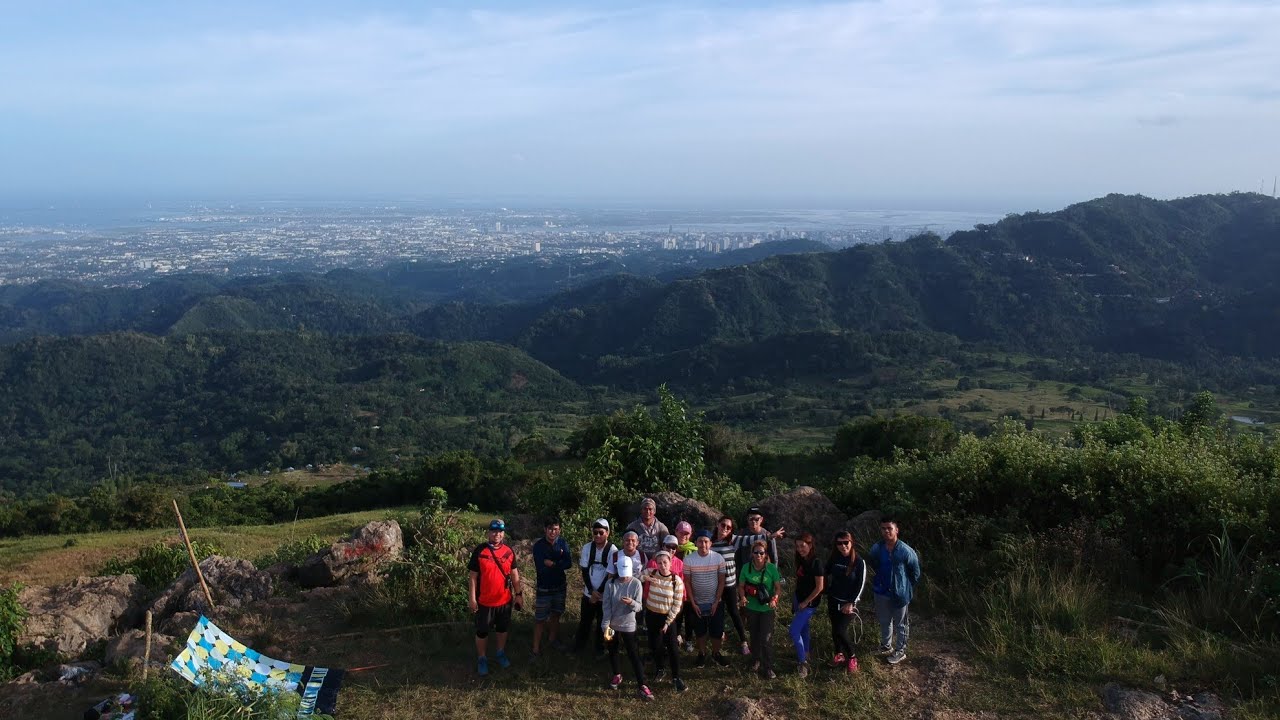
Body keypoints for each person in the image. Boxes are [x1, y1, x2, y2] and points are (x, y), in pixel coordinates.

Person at [467, 518, 523, 677]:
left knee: (502, 629)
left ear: (503, 533)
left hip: (504, 600)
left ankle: (500, 652)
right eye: (493, 531)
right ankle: (482, 658)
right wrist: (472, 599)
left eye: (499, 531)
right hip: (484, 601)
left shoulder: (508, 551)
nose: (496, 534)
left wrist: (519, 595)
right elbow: (472, 577)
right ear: (488, 532)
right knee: (482, 631)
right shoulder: (480, 551)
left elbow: (514, 574)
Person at [870, 515, 921, 665]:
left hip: (900, 594)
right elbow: (874, 563)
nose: (886, 531)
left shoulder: (906, 551)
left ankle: (900, 650)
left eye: (889, 528)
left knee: (901, 623)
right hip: (881, 591)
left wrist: (905, 586)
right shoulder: (877, 548)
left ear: (896, 530)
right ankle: (886, 645)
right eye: (883, 528)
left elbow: (915, 572)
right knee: (884, 621)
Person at [602, 556, 653, 701]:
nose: (625, 576)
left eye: (627, 573)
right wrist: (605, 625)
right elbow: (606, 606)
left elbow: (639, 607)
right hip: (611, 624)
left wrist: (631, 603)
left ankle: (642, 684)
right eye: (622, 572)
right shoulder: (610, 584)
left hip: (629, 625)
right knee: (612, 649)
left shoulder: (636, 583)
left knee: (633, 654)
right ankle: (617, 674)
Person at [641, 550, 687, 692]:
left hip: (667, 618)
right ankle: (660, 668)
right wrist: (646, 578)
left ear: (670, 562)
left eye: (665, 562)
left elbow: (677, 604)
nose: (662, 565)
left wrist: (667, 622)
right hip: (651, 614)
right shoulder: (652, 572)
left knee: (672, 648)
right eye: (659, 562)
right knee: (656, 645)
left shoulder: (676, 580)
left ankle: (676, 677)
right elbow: (637, 577)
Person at [683, 529, 730, 668]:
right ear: (696, 543)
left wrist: (716, 601)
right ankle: (702, 654)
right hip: (697, 602)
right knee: (700, 631)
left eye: (706, 541)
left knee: (716, 630)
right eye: (700, 541)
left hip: (716, 601)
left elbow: (722, 581)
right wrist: (693, 603)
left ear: (710, 543)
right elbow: (687, 582)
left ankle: (716, 653)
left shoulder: (718, 558)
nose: (703, 544)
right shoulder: (689, 559)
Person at [737, 539, 781, 679]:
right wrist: (742, 597)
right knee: (754, 636)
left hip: (767, 608)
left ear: (765, 553)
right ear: (752, 553)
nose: (758, 555)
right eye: (756, 552)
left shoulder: (771, 568)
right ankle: (755, 660)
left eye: (761, 552)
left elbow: (778, 588)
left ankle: (768, 666)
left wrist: (775, 599)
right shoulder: (746, 568)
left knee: (766, 638)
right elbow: (741, 586)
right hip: (751, 607)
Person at [826, 530, 867, 673]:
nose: (843, 546)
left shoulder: (859, 562)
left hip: (847, 604)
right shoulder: (834, 559)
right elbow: (824, 574)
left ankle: (852, 657)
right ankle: (839, 654)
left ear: (851, 543)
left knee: (840, 630)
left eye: (845, 543)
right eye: (839, 543)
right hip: (833, 600)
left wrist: (851, 602)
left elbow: (860, 584)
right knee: (834, 629)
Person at [576, 518, 618, 657]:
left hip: (605, 594)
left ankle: (603, 647)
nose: (598, 536)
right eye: (595, 533)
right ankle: (579, 646)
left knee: (604, 623)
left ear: (608, 533)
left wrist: (598, 592)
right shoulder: (587, 547)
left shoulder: (613, 550)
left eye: (601, 532)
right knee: (585, 621)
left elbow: (610, 574)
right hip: (589, 593)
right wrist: (591, 591)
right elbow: (584, 570)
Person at [530, 517, 572, 657]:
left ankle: (552, 640)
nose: (552, 532)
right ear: (545, 530)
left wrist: (553, 564)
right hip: (544, 587)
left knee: (556, 614)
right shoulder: (539, 546)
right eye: (550, 529)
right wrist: (558, 564)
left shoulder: (563, 543)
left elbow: (568, 563)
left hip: (560, 586)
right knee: (540, 619)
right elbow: (542, 567)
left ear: (559, 529)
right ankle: (535, 649)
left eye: (555, 529)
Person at [710, 515, 750, 656]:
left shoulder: (732, 541)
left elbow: (749, 540)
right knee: (718, 612)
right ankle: (719, 638)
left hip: (731, 585)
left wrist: (769, 536)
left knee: (734, 612)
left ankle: (743, 642)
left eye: (728, 527)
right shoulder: (710, 542)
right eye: (723, 525)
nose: (725, 529)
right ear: (717, 524)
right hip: (716, 586)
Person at [788, 532, 825, 678]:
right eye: (797, 546)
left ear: (810, 545)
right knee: (803, 628)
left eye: (802, 546)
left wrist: (806, 602)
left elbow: (819, 587)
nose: (800, 549)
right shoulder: (801, 560)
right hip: (799, 599)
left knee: (793, 631)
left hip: (809, 603)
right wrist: (796, 600)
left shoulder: (816, 563)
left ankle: (802, 662)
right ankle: (807, 653)